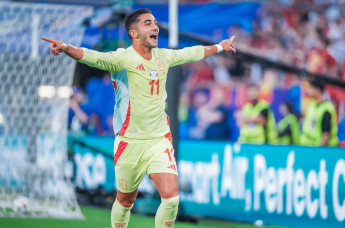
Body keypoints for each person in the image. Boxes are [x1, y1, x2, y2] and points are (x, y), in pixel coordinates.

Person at [42, 8, 236, 228]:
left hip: (158, 139)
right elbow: (93, 57)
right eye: (147, 23)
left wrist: (220, 46)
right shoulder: (122, 59)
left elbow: (191, 52)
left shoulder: (164, 56)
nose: (155, 26)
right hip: (129, 142)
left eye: (154, 22)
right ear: (133, 33)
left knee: (171, 199)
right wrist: (66, 47)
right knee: (126, 201)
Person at [300, 79, 339, 146]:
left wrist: (320, 151)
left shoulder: (326, 109)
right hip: (309, 148)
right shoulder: (312, 105)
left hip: (319, 150)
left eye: (311, 88)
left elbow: (326, 134)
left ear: (317, 90)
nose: (309, 91)